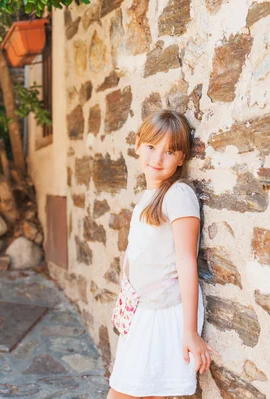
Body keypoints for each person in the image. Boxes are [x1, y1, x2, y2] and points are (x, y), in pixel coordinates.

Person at [107, 109, 218, 398]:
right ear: (137, 144)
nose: (157, 159)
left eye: (169, 152)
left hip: (164, 314)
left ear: (182, 158)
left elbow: (185, 261)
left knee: (122, 394)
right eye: (151, 147)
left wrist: (190, 331)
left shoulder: (178, 195)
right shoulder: (148, 197)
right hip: (143, 312)